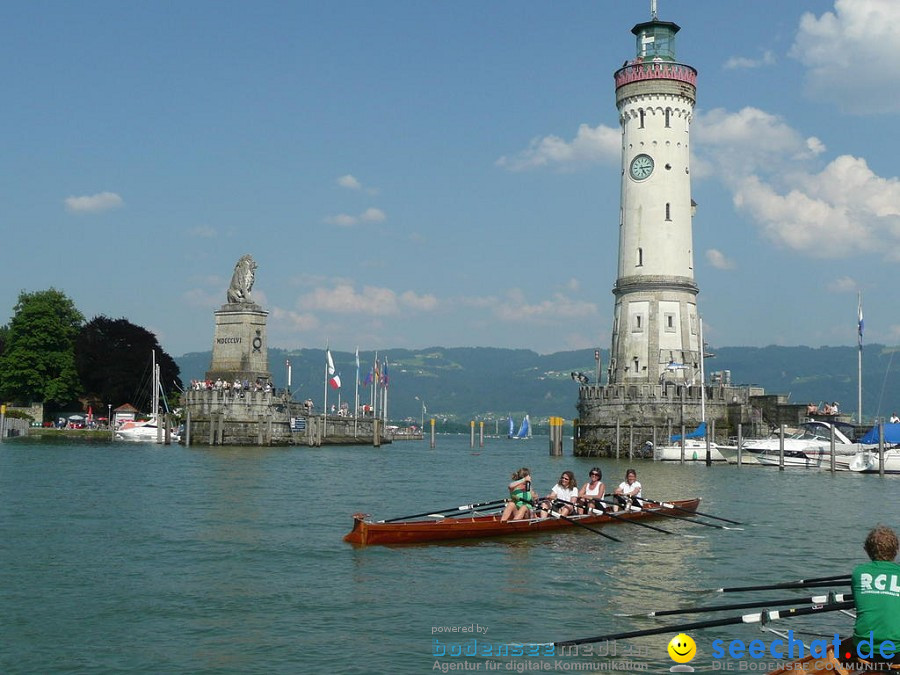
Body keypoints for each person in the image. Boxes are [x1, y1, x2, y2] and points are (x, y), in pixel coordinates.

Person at [851, 525, 900, 665]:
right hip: (896, 653)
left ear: (867, 550)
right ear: (896, 550)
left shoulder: (858, 573)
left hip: (864, 651)